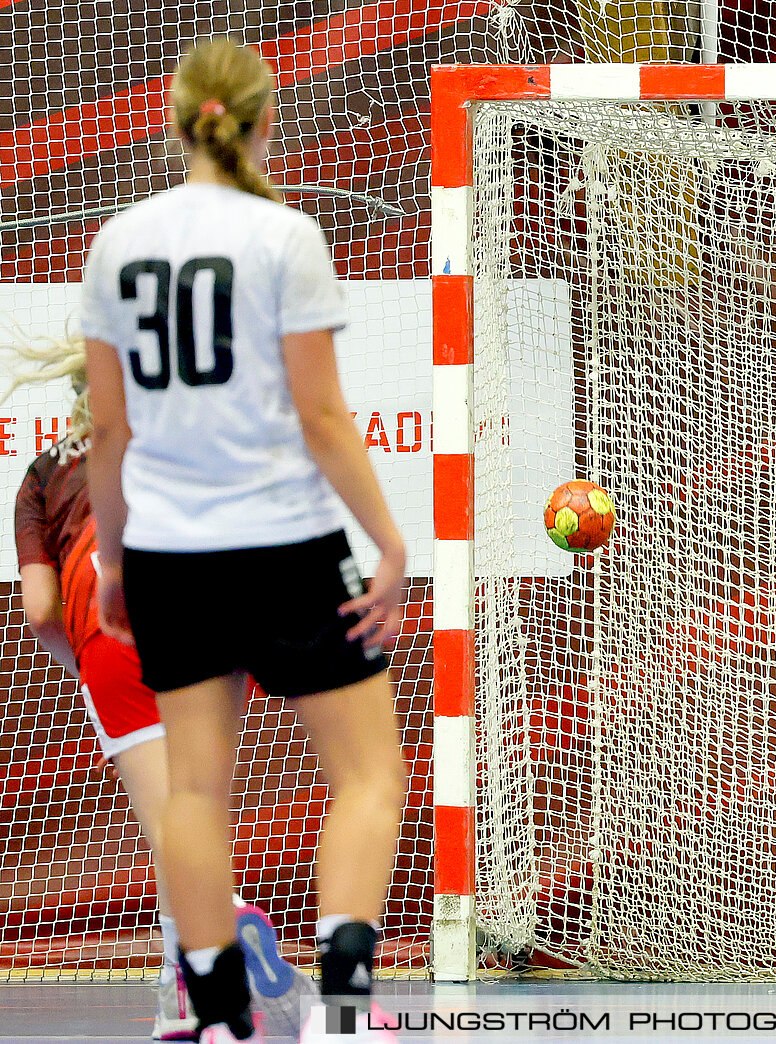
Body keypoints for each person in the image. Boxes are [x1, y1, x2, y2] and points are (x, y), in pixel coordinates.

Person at [78, 37, 406, 1044]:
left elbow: (108, 431)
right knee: (367, 775)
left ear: (178, 118)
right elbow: (321, 416)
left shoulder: (114, 245)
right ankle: (342, 1012)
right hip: (284, 543)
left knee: (192, 788)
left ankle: (219, 1019)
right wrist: (386, 540)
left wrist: (115, 560)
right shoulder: (284, 237)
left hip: (173, 552)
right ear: (268, 119)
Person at [7, 332, 318, 1041]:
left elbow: (41, 612)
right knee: (193, 822)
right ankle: (189, 993)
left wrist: (86, 662)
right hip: (207, 612)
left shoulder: (43, 476)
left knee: (172, 829)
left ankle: (214, 950)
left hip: (110, 628)